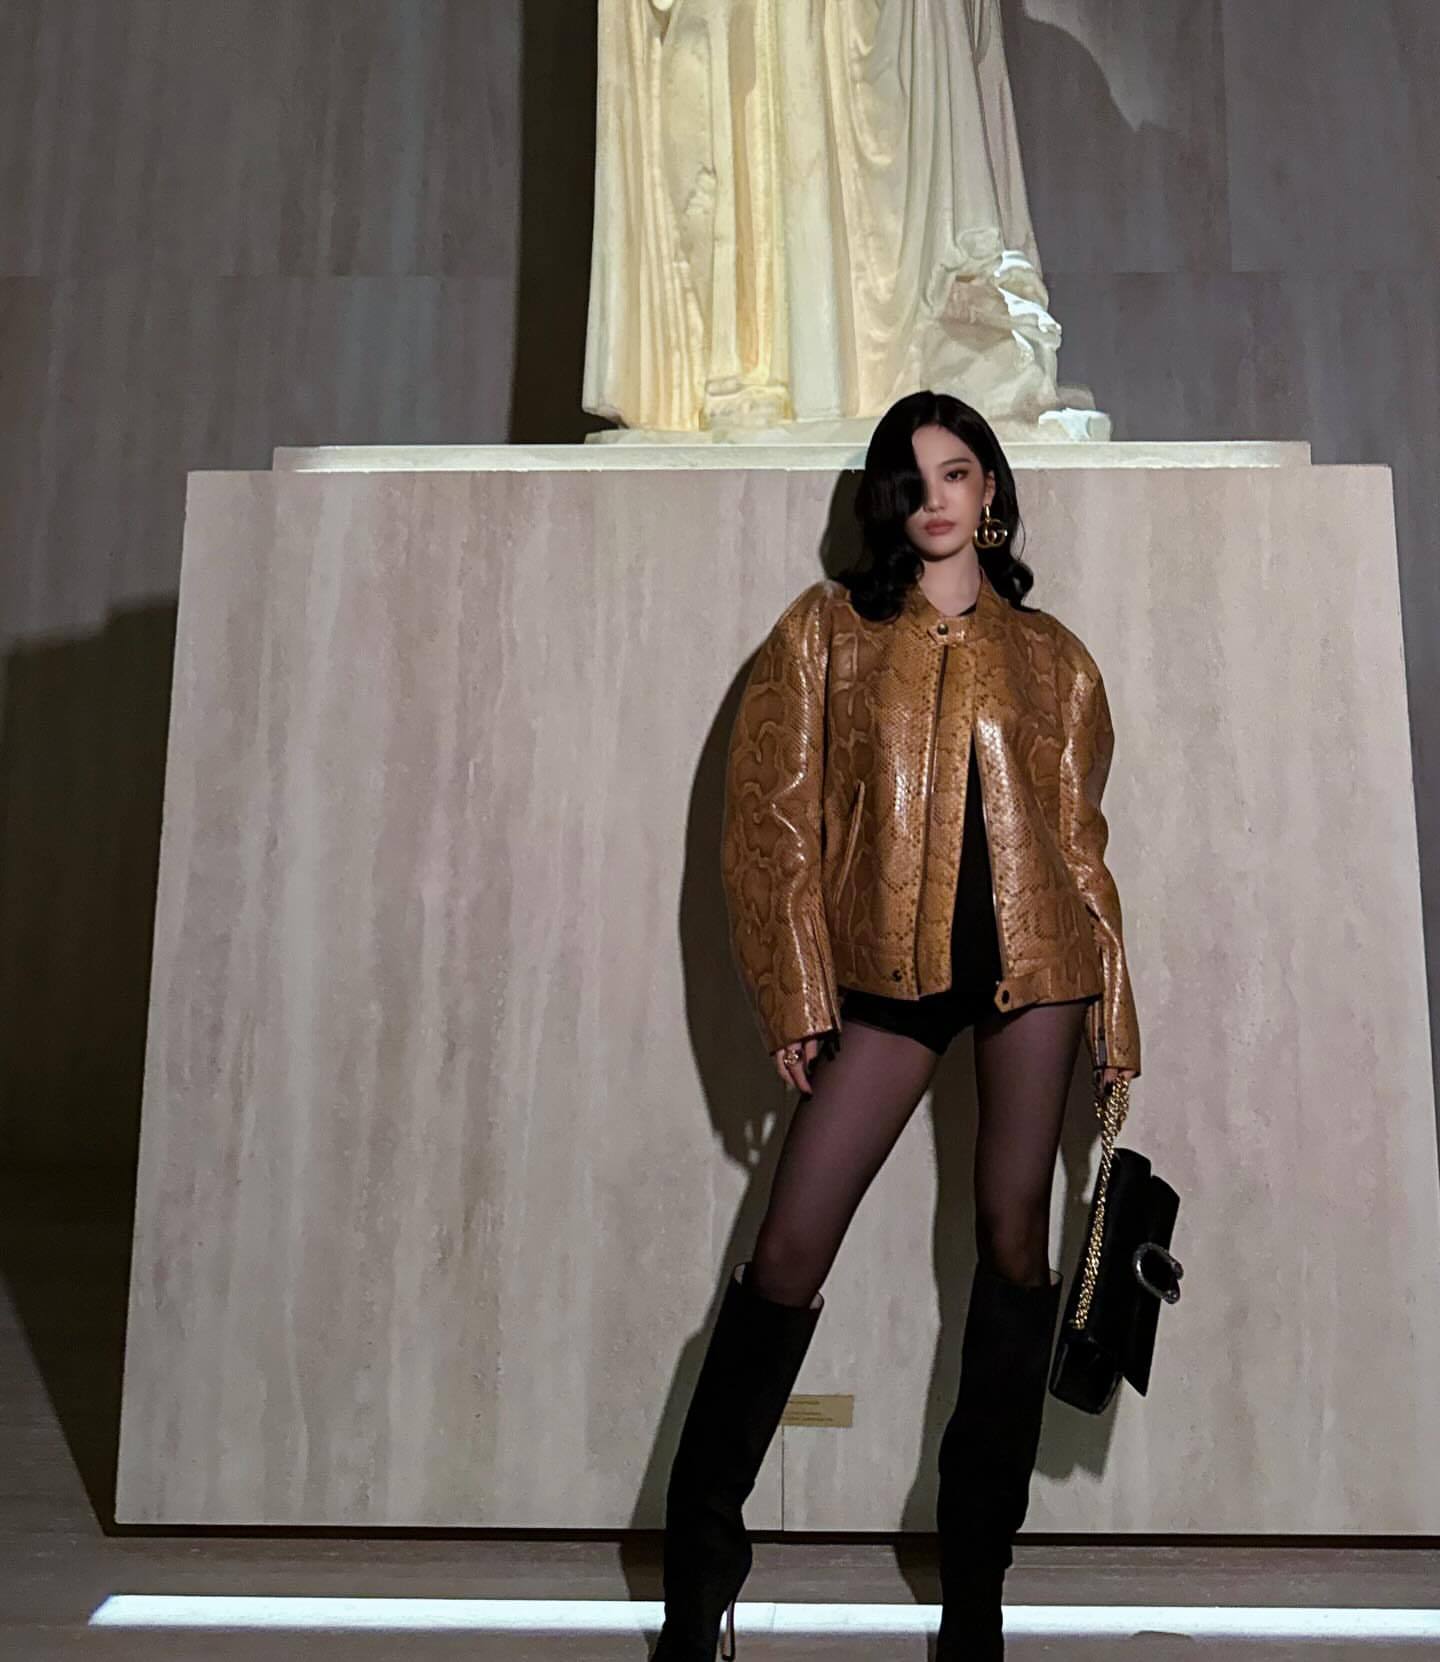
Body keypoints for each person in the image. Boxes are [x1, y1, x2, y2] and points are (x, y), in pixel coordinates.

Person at [650, 389, 1141, 1661]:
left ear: (992, 492)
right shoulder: (827, 632)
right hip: (886, 979)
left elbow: (1080, 850)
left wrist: (1117, 1017)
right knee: (787, 1252)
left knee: (1014, 1249)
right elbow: (772, 820)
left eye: (958, 472)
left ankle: (975, 1594)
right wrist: (797, 992)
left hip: (1038, 973)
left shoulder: (1055, 658)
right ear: (887, 498)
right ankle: (699, 1584)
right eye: (913, 477)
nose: (936, 497)